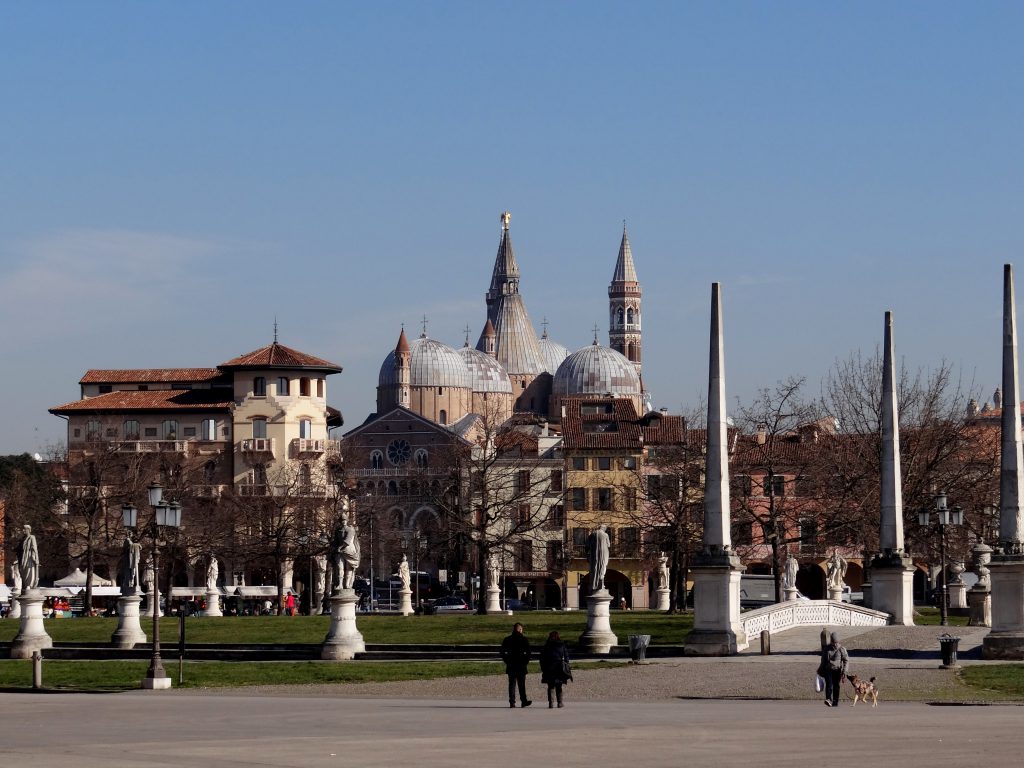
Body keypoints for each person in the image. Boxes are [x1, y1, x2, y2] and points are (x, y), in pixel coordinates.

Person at [500, 622, 532, 708]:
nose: (522, 631)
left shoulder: (507, 639)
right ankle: (523, 701)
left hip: (511, 664)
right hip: (521, 664)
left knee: (512, 684)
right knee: (522, 685)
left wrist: (507, 660)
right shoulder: (524, 639)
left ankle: (512, 702)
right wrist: (525, 661)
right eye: (521, 629)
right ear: (519, 629)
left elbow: (502, 652)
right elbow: (528, 652)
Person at [539, 630, 572, 708]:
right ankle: (560, 702)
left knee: (550, 686)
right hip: (559, 668)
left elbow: (542, 658)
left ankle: (551, 703)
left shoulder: (547, 645)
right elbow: (566, 657)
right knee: (559, 685)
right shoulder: (561, 645)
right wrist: (566, 665)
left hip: (549, 668)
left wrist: (543, 668)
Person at [331, 510, 361, 592]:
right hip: (340, 551)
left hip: (349, 551)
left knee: (349, 568)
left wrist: (339, 547)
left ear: (347, 521)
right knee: (339, 568)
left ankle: (347, 584)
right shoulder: (338, 530)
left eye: (345, 520)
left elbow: (347, 541)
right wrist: (333, 546)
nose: (343, 522)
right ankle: (340, 584)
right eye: (342, 520)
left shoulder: (351, 529)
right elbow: (336, 541)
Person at [822, 631, 849, 707]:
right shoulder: (827, 649)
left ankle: (835, 701)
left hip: (837, 670)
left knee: (836, 686)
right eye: (833, 642)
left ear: (838, 641)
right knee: (829, 685)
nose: (835, 644)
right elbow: (823, 660)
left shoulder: (842, 649)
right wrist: (822, 670)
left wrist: (844, 672)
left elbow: (846, 661)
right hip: (828, 670)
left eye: (836, 642)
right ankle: (828, 699)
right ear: (831, 641)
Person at [587, 525, 610, 592]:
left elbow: (588, 544)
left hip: (594, 553)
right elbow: (608, 545)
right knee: (603, 566)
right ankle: (601, 581)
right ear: (603, 528)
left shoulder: (593, 534)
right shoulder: (605, 535)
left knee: (594, 568)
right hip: (604, 552)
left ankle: (594, 584)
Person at [19, 525, 39, 591]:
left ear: (28, 529)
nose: (23, 530)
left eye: (24, 529)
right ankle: (26, 585)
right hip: (24, 556)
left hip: (30, 556)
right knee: (24, 570)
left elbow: (34, 548)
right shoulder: (24, 538)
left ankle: (29, 585)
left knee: (29, 570)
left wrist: (35, 558)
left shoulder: (32, 537)